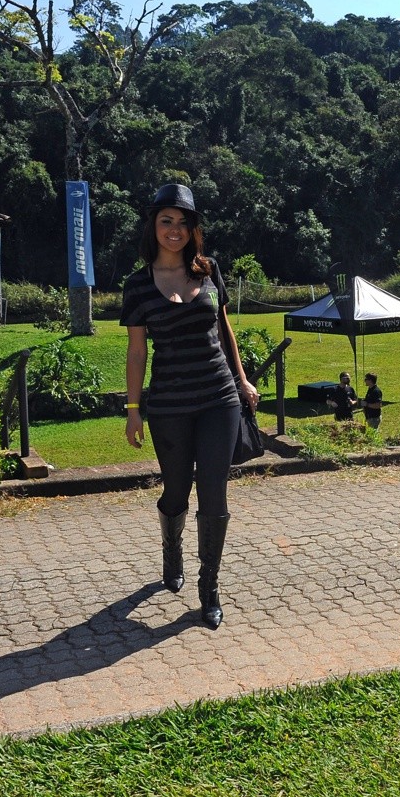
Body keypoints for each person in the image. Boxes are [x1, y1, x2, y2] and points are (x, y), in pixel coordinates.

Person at [120, 183, 260, 629]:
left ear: (193, 228)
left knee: (214, 491)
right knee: (176, 491)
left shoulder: (208, 269)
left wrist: (241, 379)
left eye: (183, 222)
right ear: (154, 226)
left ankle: (209, 587)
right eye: (167, 221)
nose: (175, 230)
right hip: (169, 405)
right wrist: (133, 408)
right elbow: (137, 352)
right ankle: (172, 548)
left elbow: (224, 330)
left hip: (219, 397)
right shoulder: (137, 285)